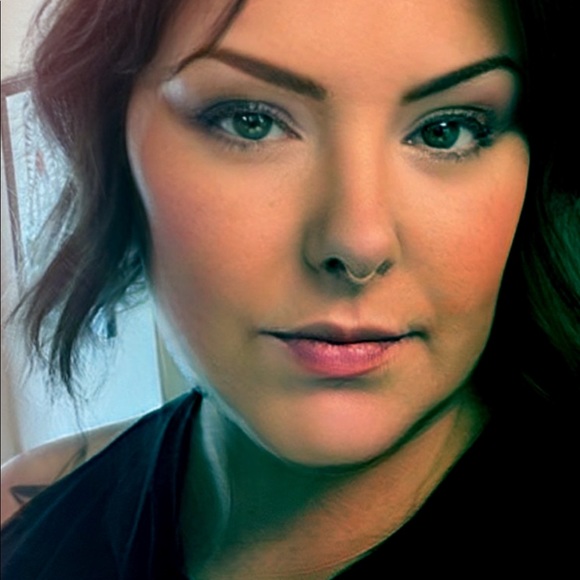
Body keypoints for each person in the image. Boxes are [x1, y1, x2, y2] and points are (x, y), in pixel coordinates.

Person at [1, 0, 578, 577]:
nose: (358, 244)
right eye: (249, 121)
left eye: (445, 131)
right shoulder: (22, 514)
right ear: (114, 147)